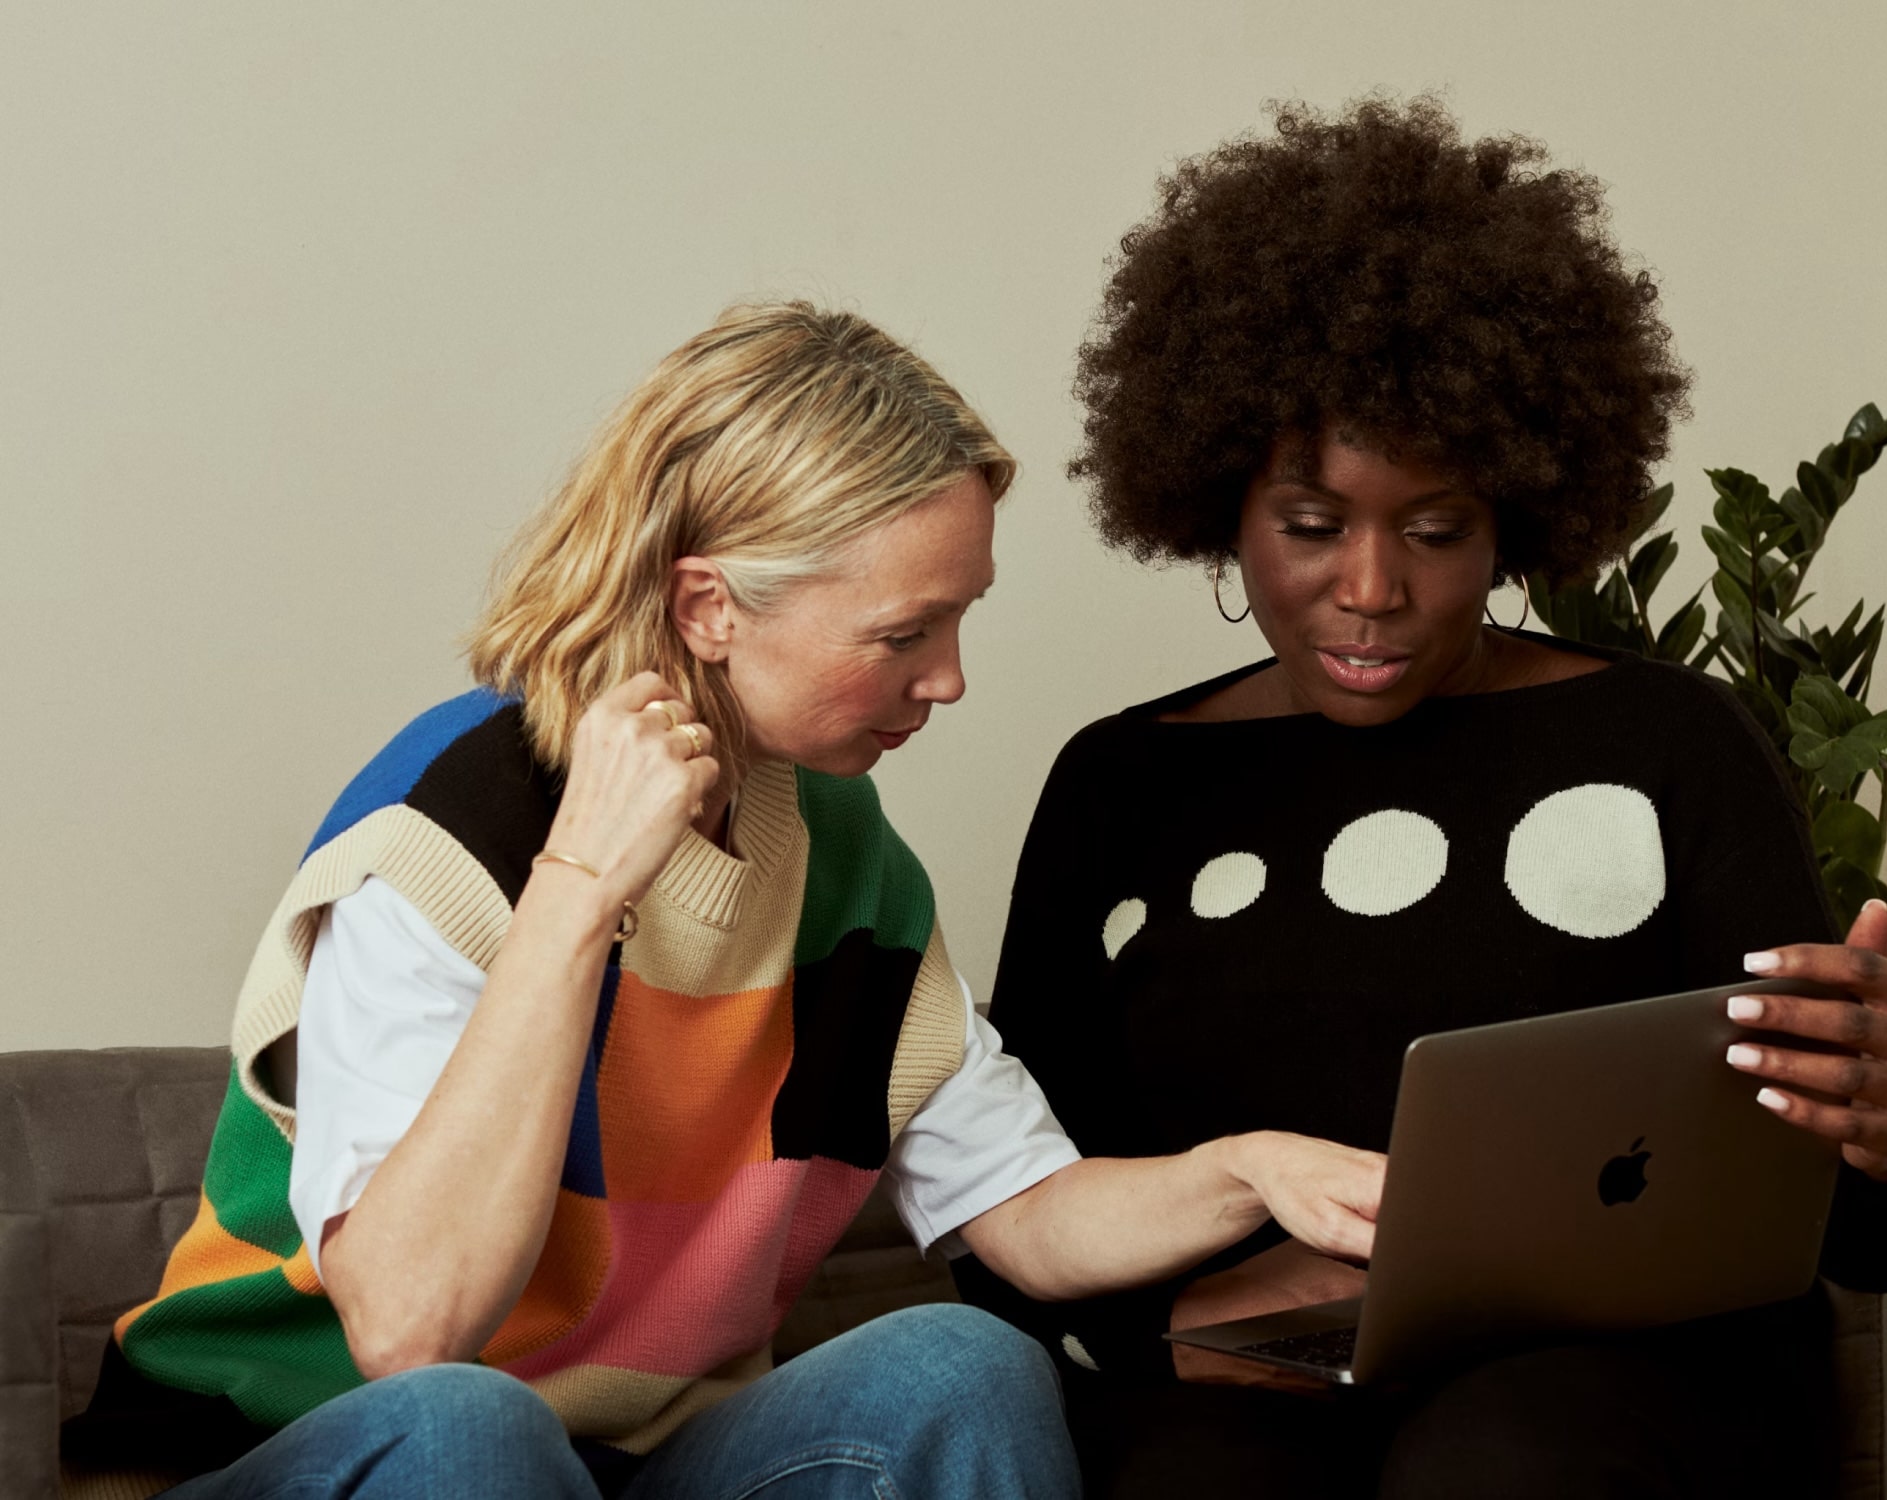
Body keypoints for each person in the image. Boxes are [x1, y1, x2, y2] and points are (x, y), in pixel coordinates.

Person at [83, 303, 1391, 1499]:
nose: (949, 681)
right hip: (281, 1455)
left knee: (960, 1363)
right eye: (904, 635)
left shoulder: (843, 859)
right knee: (465, 1429)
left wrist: (1251, 1173)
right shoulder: (445, 828)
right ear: (709, 605)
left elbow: (1027, 1217)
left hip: (630, 1465)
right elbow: (410, 1331)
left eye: (960, 621)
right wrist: (581, 893)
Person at [953, 99, 1887, 1498]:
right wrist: (1188, 1330)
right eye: (1311, 528)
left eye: (1436, 532)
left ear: (1515, 511)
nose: (1372, 590)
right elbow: (1003, 1217)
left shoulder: (1666, 743)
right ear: (1214, 505)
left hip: (1633, 1388)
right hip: (1235, 1385)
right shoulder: (1119, 787)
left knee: (1499, 1467)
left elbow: (1865, 1237)